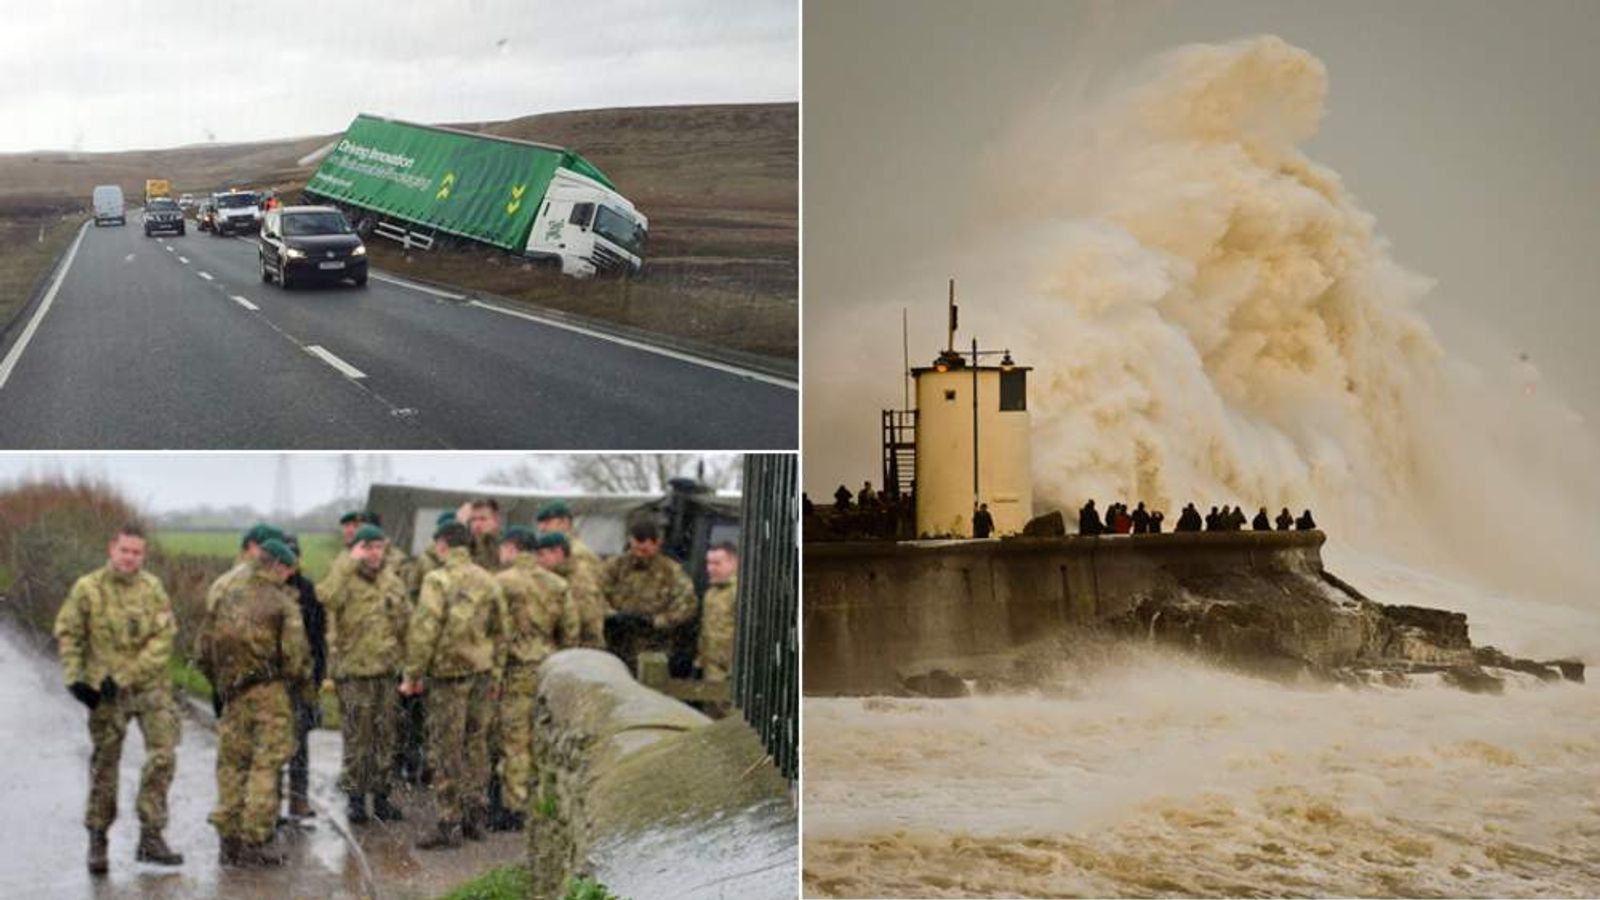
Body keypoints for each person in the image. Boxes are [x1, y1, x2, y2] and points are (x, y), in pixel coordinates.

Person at [54, 523, 184, 875]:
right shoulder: (88, 588)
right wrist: (74, 678)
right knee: (104, 765)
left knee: (163, 756)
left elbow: (162, 640)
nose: (130, 558)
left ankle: (151, 835)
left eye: (137, 552)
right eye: (125, 551)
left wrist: (125, 676)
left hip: (149, 689)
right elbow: (69, 633)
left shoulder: (153, 588)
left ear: (144, 555)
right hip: (104, 694)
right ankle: (98, 838)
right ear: (112, 549)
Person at [199, 538, 312, 868]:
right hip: (269, 694)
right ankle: (255, 839)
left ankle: (228, 839)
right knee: (266, 765)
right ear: (277, 565)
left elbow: (203, 650)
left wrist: (221, 683)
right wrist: (302, 687)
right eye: (288, 569)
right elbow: (295, 658)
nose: (290, 576)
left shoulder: (226, 594)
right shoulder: (282, 603)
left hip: (232, 694)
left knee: (232, 766)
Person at [402, 521, 507, 850]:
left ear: (442, 545)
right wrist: (497, 672)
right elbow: (502, 630)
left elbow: (424, 629)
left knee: (446, 748)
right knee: (476, 744)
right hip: (481, 673)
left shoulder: (437, 580)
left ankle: (449, 821)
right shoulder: (488, 580)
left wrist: (412, 673)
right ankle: (476, 816)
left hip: (448, 677)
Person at [318, 525, 409, 826]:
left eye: (378, 548)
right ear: (356, 549)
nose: (374, 553)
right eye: (367, 547)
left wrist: (409, 667)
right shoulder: (343, 579)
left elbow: (406, 624)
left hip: (386, 672)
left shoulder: (392, 582)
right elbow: (326, 597)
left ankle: (381, 797)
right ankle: (356, 798)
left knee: (386, 737)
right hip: (355, 673)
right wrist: (347, 562)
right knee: (358, 738)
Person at [489, 527, 575, 831]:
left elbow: (495, 632)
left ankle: (515, 806)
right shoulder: (558, 584)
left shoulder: (501, 583)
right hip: (548, 666)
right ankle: (543, 802)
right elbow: (570, 631)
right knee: (543, 737)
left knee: (514, 739)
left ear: (512, 549)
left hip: (515, 669)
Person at [599, 516, 697, 674]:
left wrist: (655, 621)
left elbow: (687, 605)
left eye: (644, 550)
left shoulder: (671, 572)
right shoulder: (615, 567)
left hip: (654, 648)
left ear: (657, 544)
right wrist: (613, 615)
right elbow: (596, 594)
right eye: (634, 549)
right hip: (618, 645)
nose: (639, 555)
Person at [281, 534, 328, 825]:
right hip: (274, 682)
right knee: (272, 746)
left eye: (294, 556)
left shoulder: (308, 591)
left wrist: (319, 676)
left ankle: (299, 802)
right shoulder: (268, 590)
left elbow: (318, 637)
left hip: (303, 680)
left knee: (300, 744)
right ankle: (269, 806)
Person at [535, 531, 606, 649]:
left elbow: (588, 621)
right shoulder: (553, 577)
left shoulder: (579, 579)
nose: (539, 560)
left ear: (558, 552)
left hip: (582, 649)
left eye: (542, 554)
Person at [696, 542, 739, 682]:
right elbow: (706, 630)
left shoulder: (742, 593)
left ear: (733, 563)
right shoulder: (711, 593)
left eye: (717, 563)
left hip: (732, 674)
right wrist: (699, 662)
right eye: (709, 563)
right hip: (711, 671)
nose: (710, 568)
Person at [458, 498, 504, 571]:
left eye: (483, 519)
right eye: (473, 519)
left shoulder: (505, 546)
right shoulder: (466, 545)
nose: (477, 524)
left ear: (496, 520)